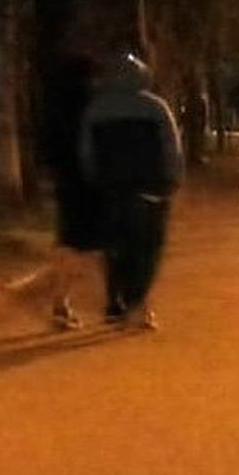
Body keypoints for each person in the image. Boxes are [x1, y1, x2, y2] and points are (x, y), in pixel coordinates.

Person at [80, 53, 184, 330]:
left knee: (114, 249)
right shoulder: (156, 108)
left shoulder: (96, 110)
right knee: (146, 250)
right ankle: (137, 303)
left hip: (109, 191)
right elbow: (171, 149)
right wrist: (172, 180)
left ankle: (115, 303)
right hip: (149, 192)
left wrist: (94, 180)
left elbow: (86, 152)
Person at [43, 53, 101, 330]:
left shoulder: (55, 110)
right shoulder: (92, 108)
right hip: (91, 185)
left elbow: (49, 152)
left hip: (67, 186)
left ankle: (60, 305)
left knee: (71, 246)